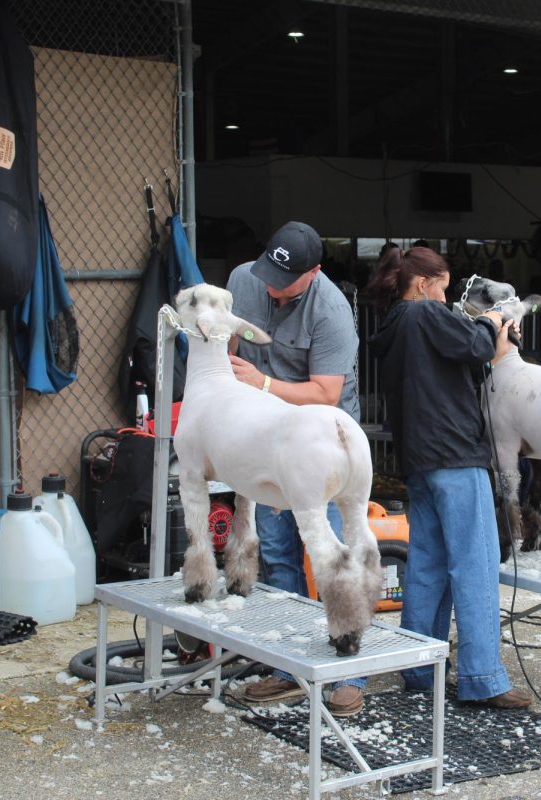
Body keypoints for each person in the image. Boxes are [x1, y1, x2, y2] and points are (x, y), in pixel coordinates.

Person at [366, 246, 532, 709]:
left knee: (427, 566)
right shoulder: (423, 315)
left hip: (419, 462)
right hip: (456, 457)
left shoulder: (395, 325)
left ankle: (420, 666)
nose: (445, 297)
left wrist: (482, 329)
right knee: (475, 565)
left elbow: (452, 366)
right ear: (423, 284)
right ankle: (482, 677)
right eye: (442, 287)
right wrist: (494, 321)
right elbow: (478, 347)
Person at [225, 220, 366, 718]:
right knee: (279, 550)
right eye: (269, 274)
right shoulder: (245, 279)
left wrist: (261, 384)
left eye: (284, 280)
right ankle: (287, 666)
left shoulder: (331, 311)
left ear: (315, 272)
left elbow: (326, 392)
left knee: (328, 553)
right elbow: (228, 347)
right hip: (268, 436)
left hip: (323, 437)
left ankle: (349, 669)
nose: (271, 286)